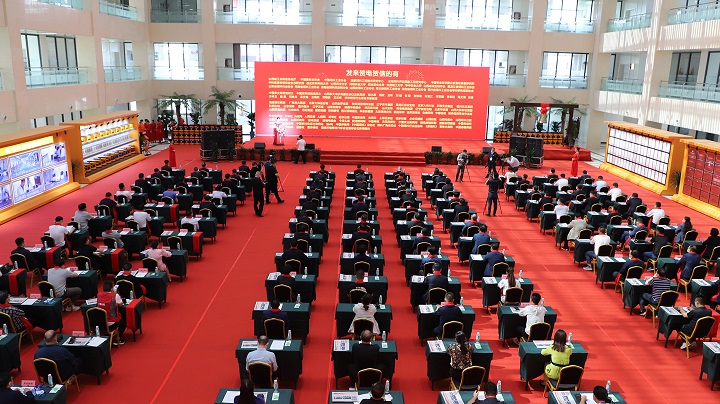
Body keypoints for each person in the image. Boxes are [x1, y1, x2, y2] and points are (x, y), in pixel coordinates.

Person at [97, 280, 125, 345]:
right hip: (112, 321)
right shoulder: (115, 295)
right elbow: (121, 304)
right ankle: (117, 339)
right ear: (112, 288)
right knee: (124, 321)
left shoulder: (99, 295)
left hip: (101, 321)